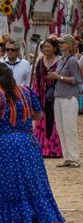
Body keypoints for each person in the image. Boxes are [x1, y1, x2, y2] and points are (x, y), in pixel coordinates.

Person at [0, 62, 65, 223]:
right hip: (27, 144)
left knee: (5, 188)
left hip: (5, 146)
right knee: (29, 185)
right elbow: (38, 116)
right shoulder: (26, 92)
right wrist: (20, 112)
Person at [51, 35, 82, 167]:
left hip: (69, 97)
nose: (60, 44)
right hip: (58, 96)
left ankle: (74, 157)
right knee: (61, 128)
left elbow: (77, 80)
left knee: (69, 128)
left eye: (63, 43)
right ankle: (67, 157)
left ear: (69, 45)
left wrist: (60, 77)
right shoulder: (61, 60)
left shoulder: (72, 60)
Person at [32, 38, 63, 158]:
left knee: (54, 120)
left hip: (55, 95)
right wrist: (35, 95)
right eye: (45, 47)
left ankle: (54, 150)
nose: (46, 49)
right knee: (42, 120)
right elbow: (36, 79)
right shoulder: (40, 60)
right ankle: (42, 149)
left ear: (55, 48)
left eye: (49, 46)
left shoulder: (60, 61)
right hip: (42, 94)